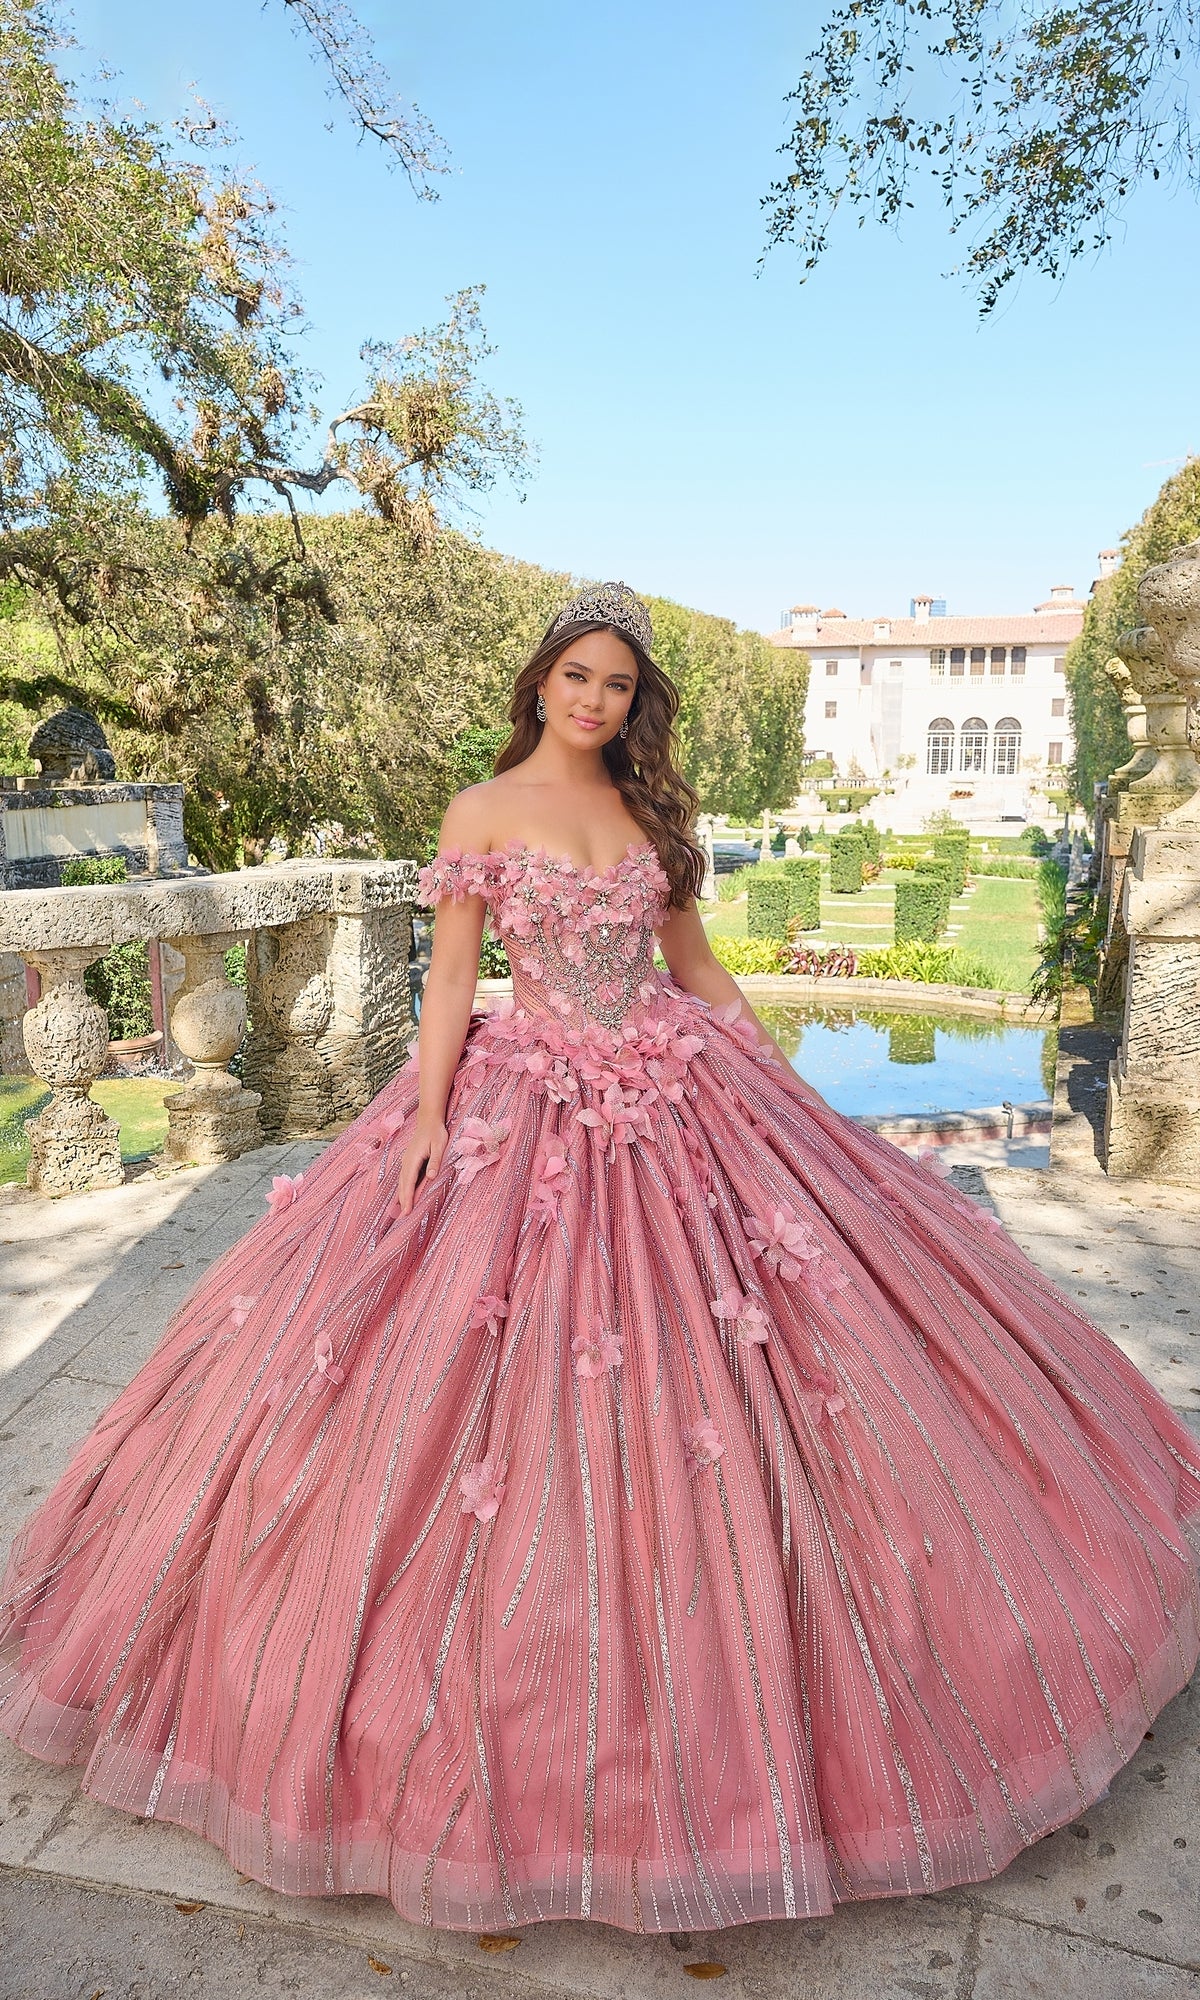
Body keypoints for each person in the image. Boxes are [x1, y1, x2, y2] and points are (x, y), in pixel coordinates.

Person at [0, 582, 1197, 1937]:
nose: (595, 699)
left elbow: (698, 968)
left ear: (636, 701)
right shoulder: (481, 812)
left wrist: (776, 1078)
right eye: (578, 674)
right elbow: (452, 979)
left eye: (618, 684)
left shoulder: (646, 816)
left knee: (773, 1349)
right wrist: (433, 1116)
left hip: (676, 1088)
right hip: (526, 1101)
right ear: (541, 681)